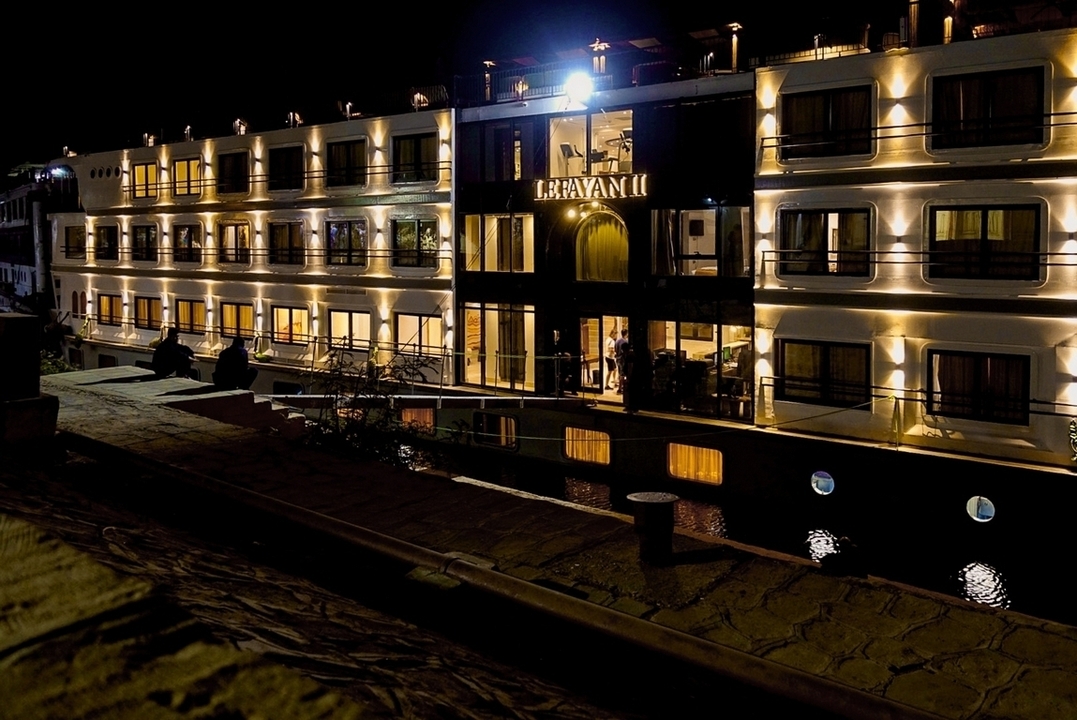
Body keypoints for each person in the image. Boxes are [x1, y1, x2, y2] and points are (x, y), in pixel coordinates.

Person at [614, 328, 628, 394]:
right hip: (622, 359)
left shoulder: (617, 341)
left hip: (618, 359)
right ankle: (620, 388)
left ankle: (621, 387)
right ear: (626, 334)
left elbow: (615, 350)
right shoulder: (625, 342)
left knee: (620, 373)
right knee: (622, 374)